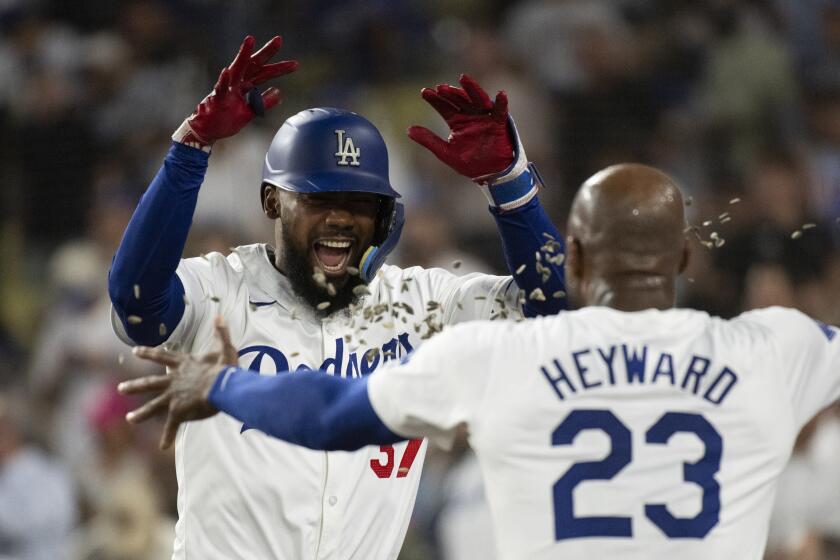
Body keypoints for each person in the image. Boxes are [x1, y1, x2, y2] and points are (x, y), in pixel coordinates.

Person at [122, 163, 840, 560]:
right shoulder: (773, 349)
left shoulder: (502, 355)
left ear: (578, 259)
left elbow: (330, 414)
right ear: (685, 255)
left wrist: (221, 383)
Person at [107, 35, 566, 559]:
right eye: (319, 199)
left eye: (359, 202)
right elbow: (136, 299)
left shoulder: (422, 305)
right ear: (271, 202)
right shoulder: (220, 289)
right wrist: (189, 154)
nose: (341, 218)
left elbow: (554, 318)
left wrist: (510, 189)